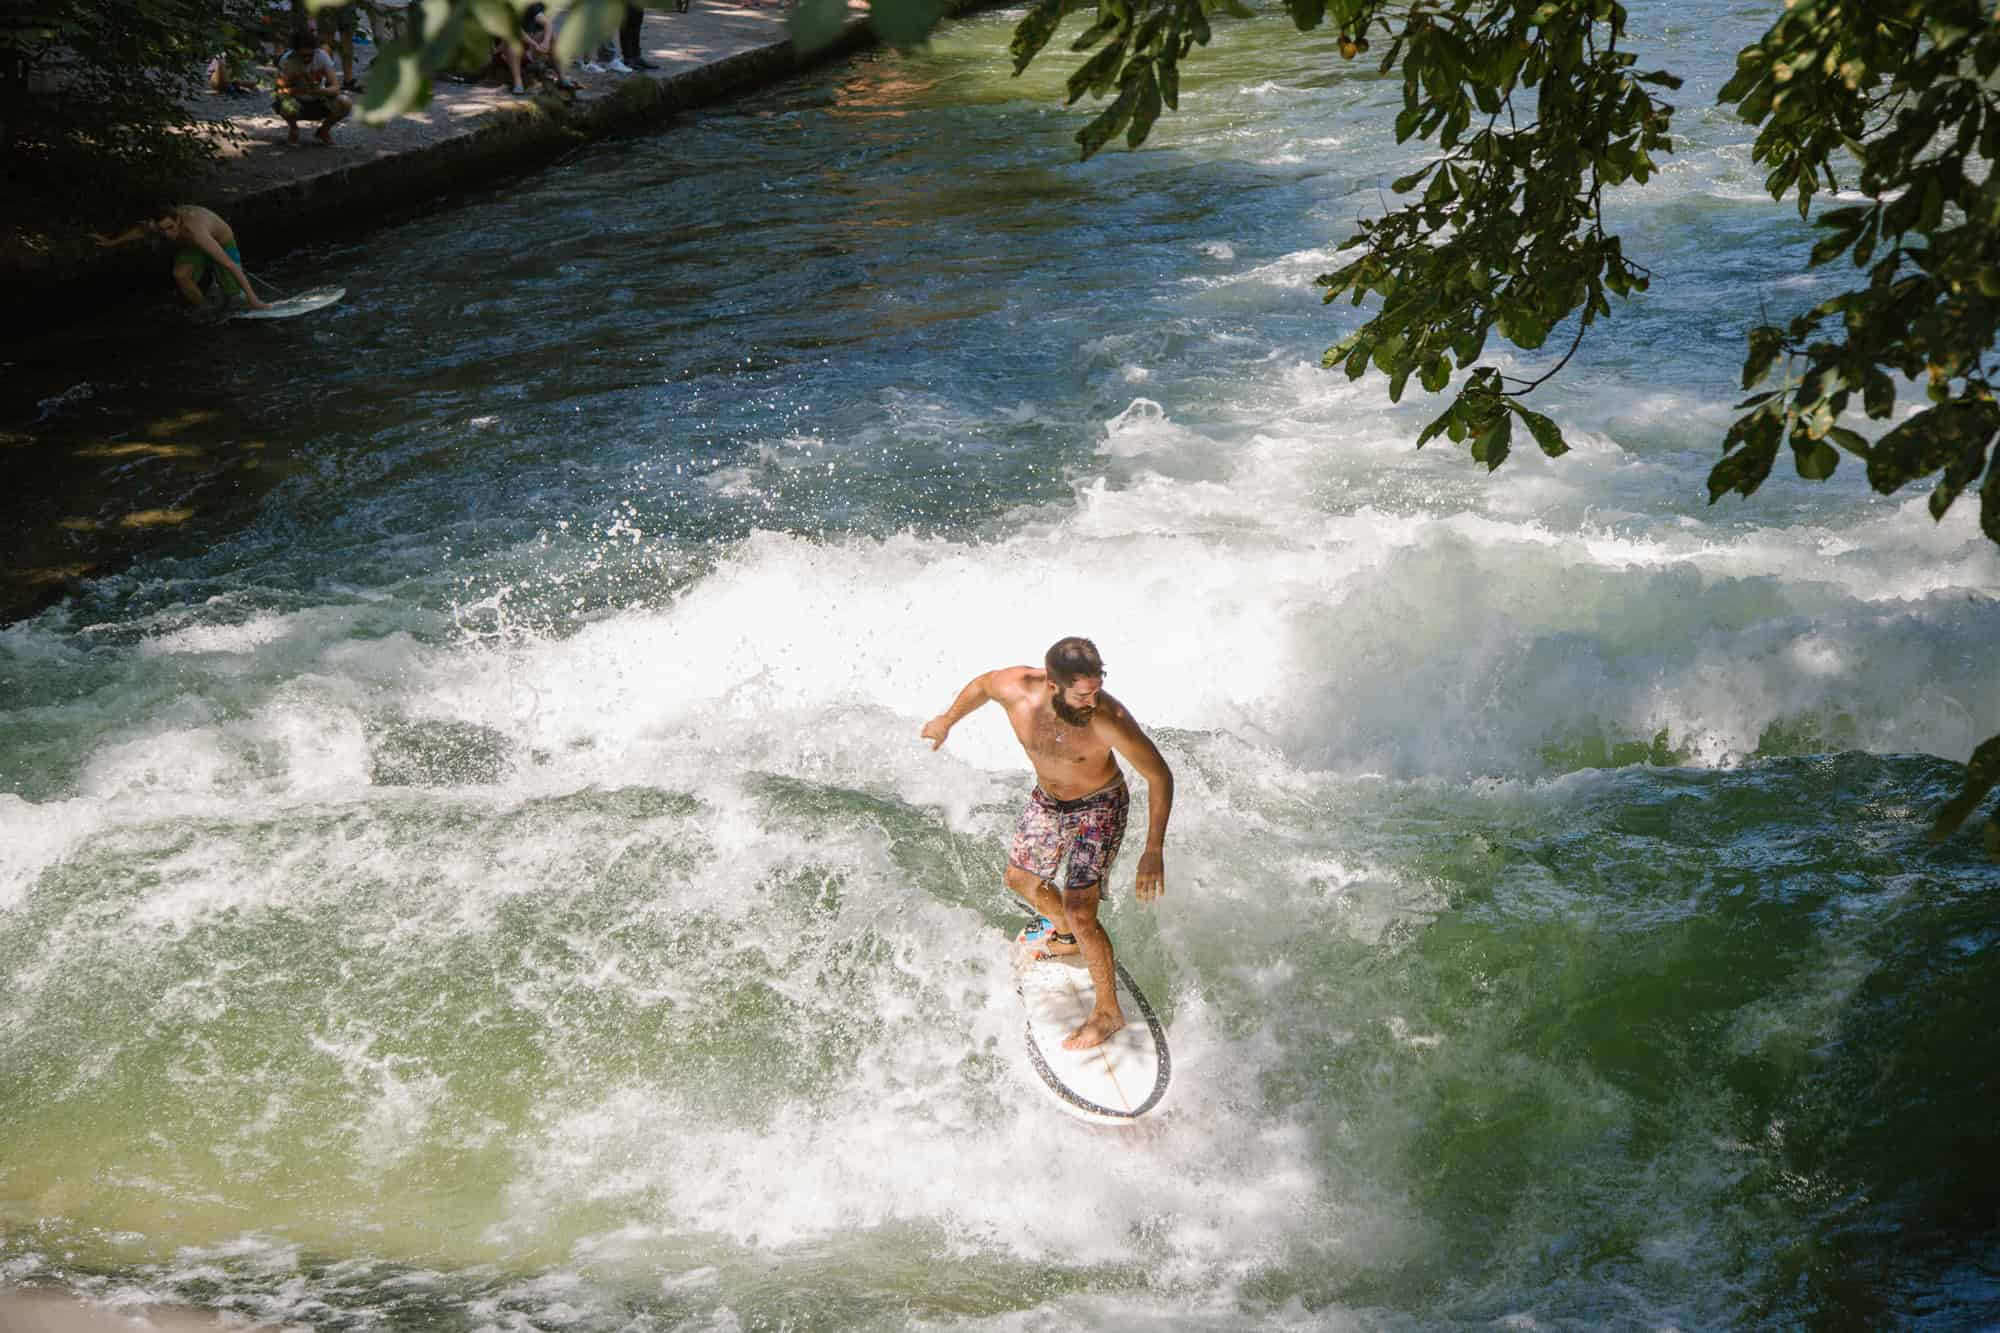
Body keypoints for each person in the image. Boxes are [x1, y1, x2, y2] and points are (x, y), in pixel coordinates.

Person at [922, 636, 1174, 1051]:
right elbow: (982, 685)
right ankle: (1065, 936)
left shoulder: (1109, 717)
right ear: (1053, 686)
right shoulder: (1015, 690)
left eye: (1097, 688)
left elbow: (1159, 776)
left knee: (1080, 908)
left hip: (1100, 805)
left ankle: (1108, 1013)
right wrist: (947, 720)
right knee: (1020, 881)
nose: (1092, 701)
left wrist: (1153, 851)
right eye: (1082, 694)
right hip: (1049, 801)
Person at [93, 205, 270, 311]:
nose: (168, 234)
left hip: (220, 244)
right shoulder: (160, 223)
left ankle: (240, 298)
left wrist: (254, 300)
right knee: (180, 274)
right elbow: (140, 231)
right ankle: (204, 310)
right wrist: (112, 242)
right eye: (163, 230)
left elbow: (231, 265)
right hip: (192, 247)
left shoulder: (195, 230)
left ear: (178, 220)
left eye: (170, 228)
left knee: (233, 295)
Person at [272, 25, 352, 145]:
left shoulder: (321, 56)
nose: (306, 59)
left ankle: (324, 131)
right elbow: (278, 91)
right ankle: (293, 128)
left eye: (310, 55)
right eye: (303, 56)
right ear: (295, 51)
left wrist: (317, 91)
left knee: (346, 102)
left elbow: (336, 88)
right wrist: (294, 87)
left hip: (318, 99)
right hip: (296, 100)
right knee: (284, 103)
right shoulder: (287, 60)